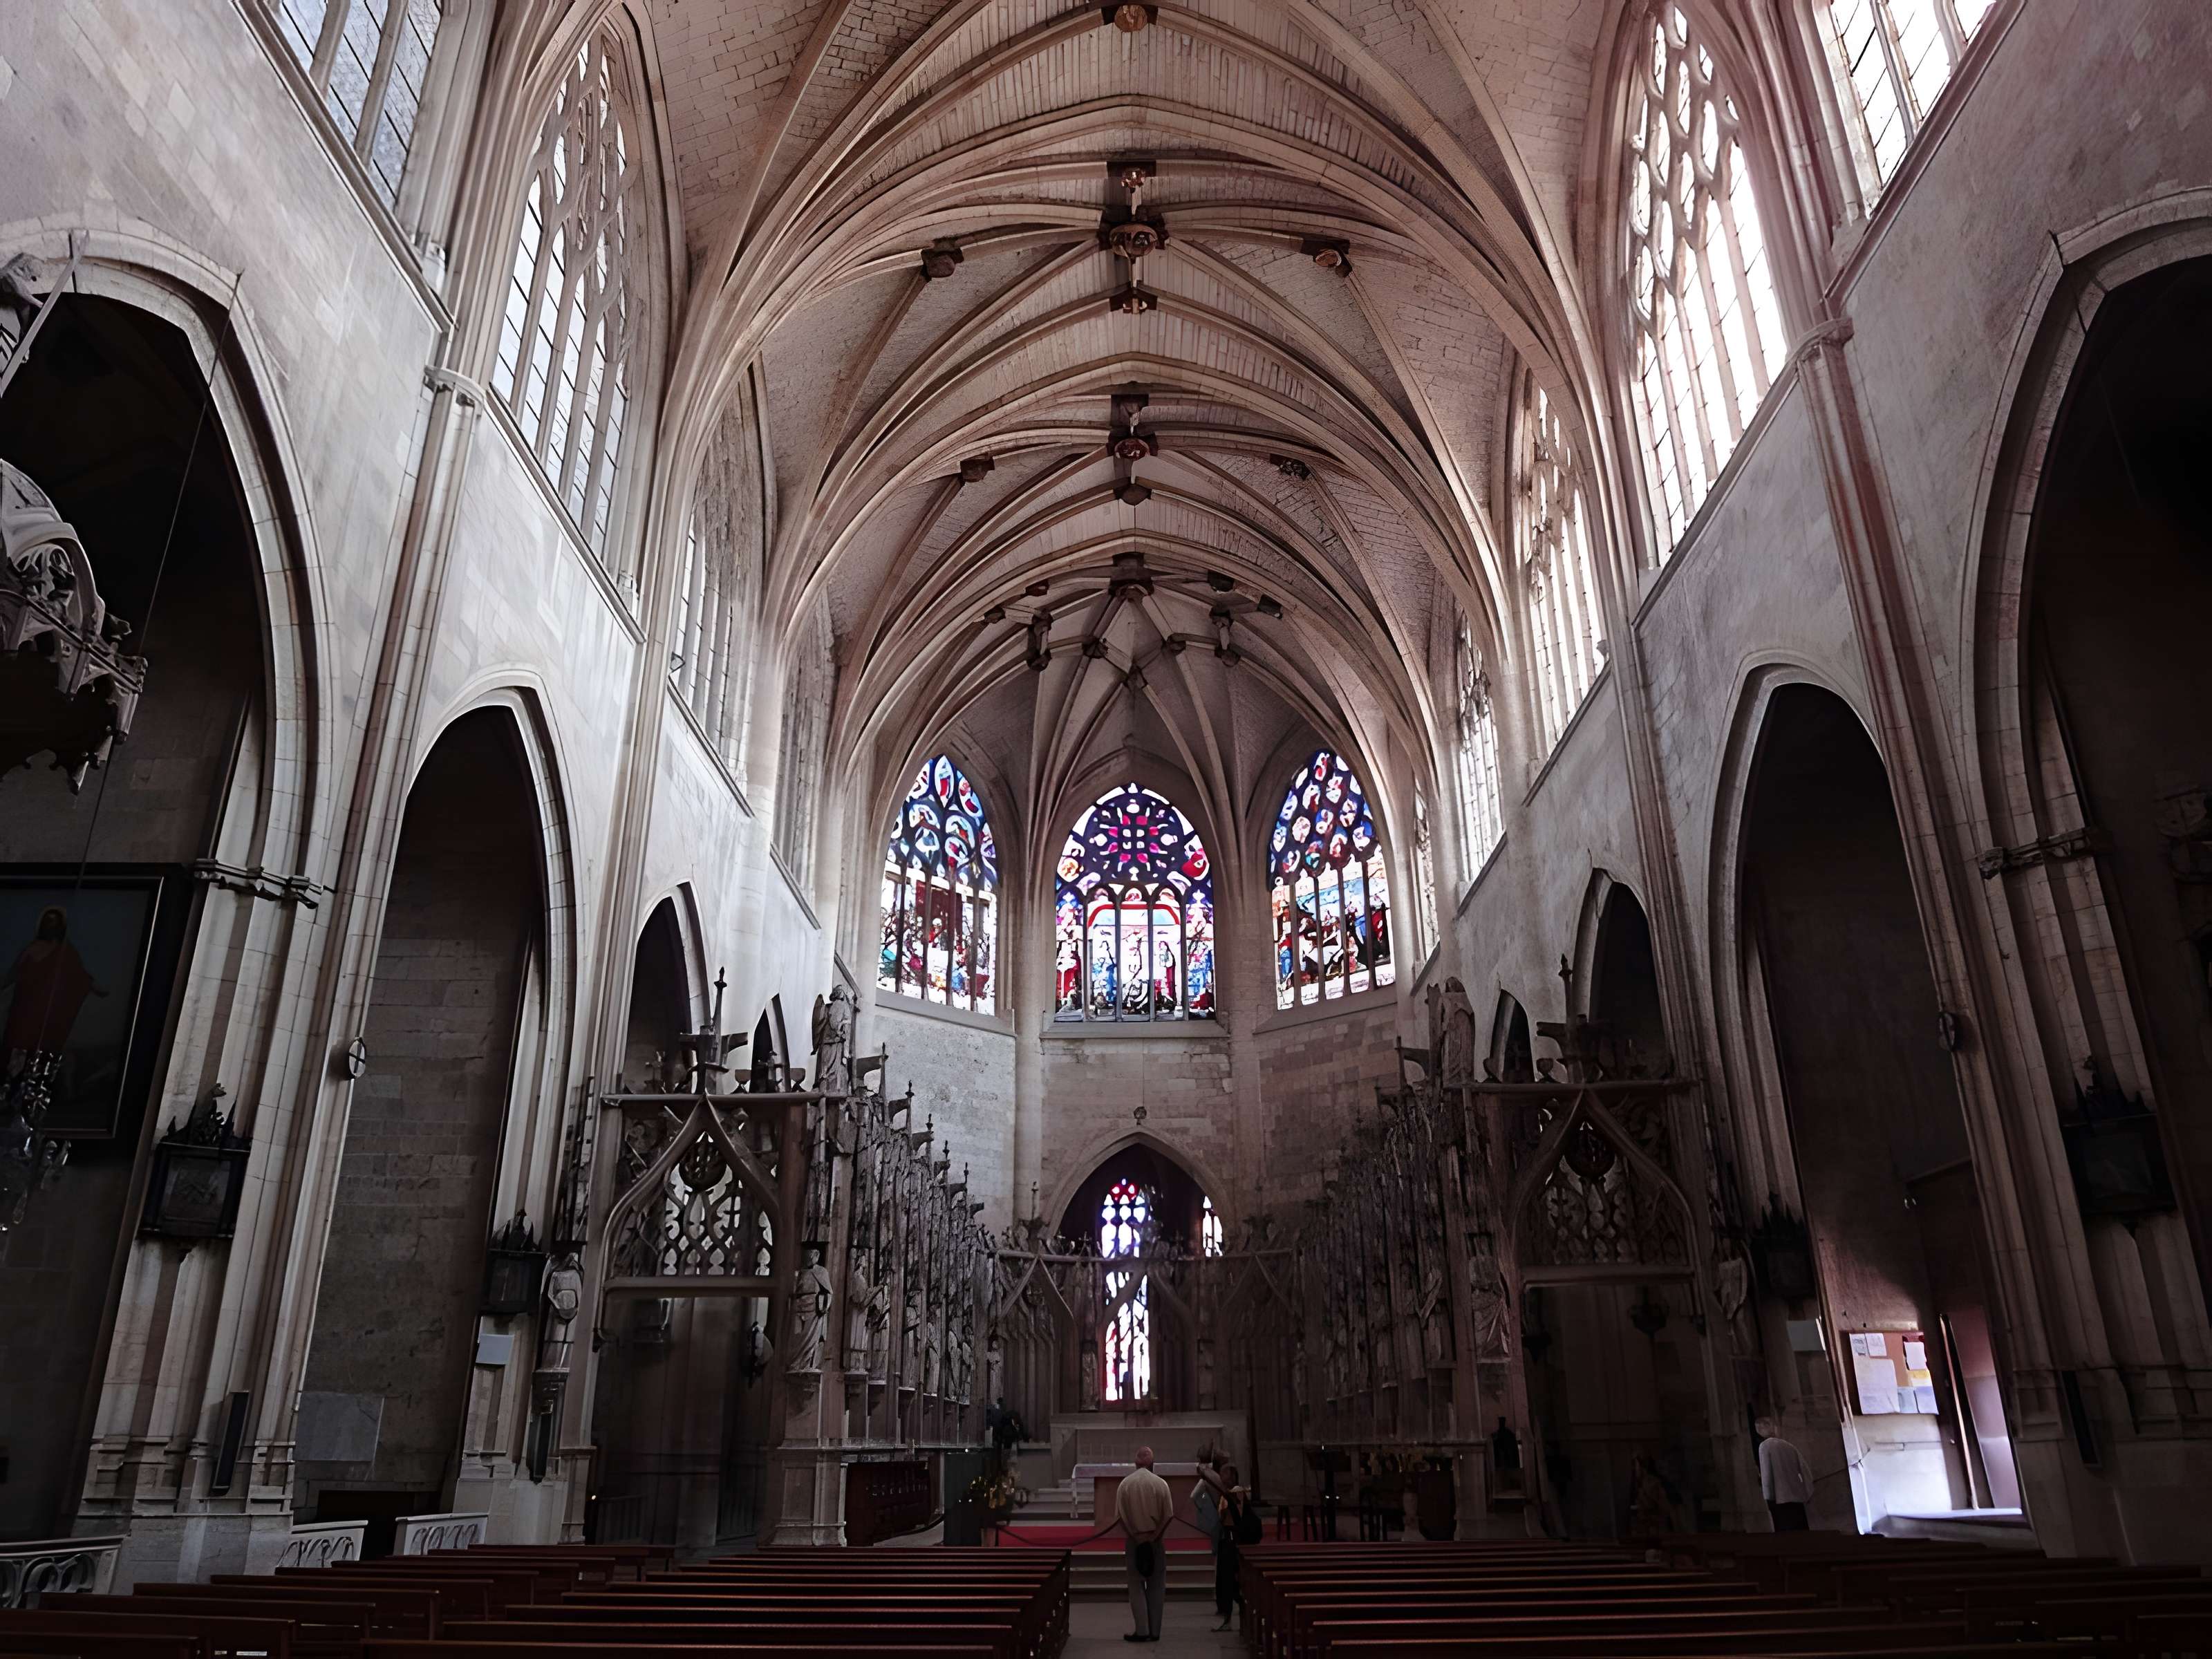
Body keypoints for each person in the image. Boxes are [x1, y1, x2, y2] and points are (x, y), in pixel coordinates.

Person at [1114, 1445, 1173, 1643]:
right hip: (1155, 1541)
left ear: (1135, 1464)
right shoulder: (1161, 1484)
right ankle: (1155, 1631)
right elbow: (1168, 1516)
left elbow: (1121, 1517)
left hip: (1135, 1540)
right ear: (1153, 1464)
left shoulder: (1125, 1484)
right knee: (1157, 1585)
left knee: (1136, 1585)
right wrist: (1155, 1536)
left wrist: (1135, 1537)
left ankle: (1142, 1630)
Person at [1195, 1455, 1254, 1631]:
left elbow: (1232, 1516)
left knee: (1232, 1580)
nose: (1220, 1478)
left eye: (1223, 1474)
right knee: (1226, 1580)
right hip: (1227, 1538)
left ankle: (1236, 1616)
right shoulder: (1230, 1493)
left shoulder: (1236, 1493)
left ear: (1230, 1476)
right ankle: (1230, 1616)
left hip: (1232, 1540)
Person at [1756, 1417, 1812, 1531]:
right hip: (1797, 1497)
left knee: (1786, 1535)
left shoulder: (1765, 1446)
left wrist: (1768, 1497)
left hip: (1779, 1498)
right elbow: (1806, 1472)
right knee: (1802, 1532)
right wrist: (1807, 1493)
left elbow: (1766, 1474)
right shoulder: (1789, 1446)